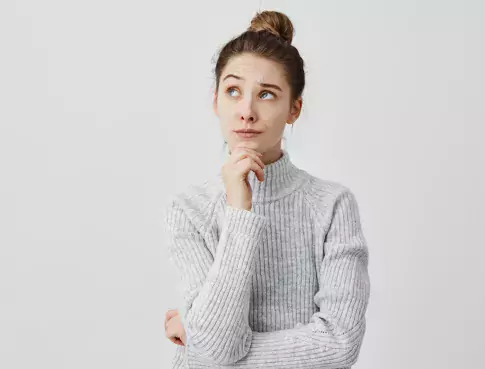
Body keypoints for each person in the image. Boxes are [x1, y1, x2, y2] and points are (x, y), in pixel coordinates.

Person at [163, 10, 370, 368]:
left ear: (295, 109)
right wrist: (240, 210)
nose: (246, 110)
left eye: (268, 95)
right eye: (233, 91)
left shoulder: (332, 206)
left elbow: (339, 345)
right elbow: (216, 347)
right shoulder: (189, 210)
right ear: (216, 102)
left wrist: (198, 341)